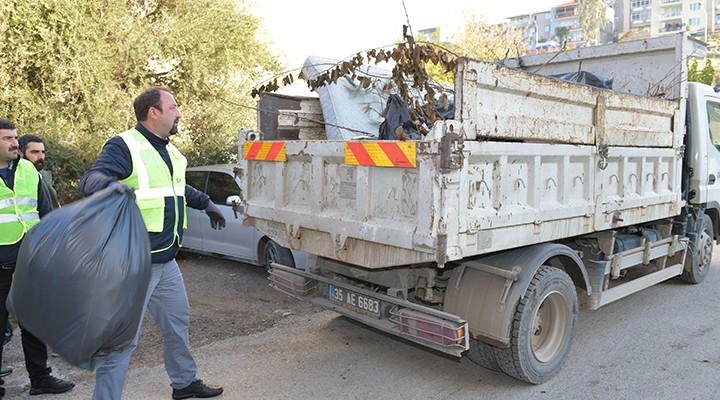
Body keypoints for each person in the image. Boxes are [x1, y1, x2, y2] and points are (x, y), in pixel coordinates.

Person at [80, 87, 226, 400]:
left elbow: (175, 188)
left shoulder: (171, 152)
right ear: (153, 113)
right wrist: (110, 186)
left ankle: (184, 383)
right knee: (120, 341)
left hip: (166, 260)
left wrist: (206, 202)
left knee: (177, 323)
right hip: (133, 263)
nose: (179, 113)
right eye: (173, 107)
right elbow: (91, 179)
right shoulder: (125, 145)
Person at [0, 118, 75, 397]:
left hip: (31, 261)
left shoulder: (29, 172)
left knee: (33, 323)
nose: (14, 143)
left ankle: (40, 379)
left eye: (15, 138)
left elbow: (45, 215)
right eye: (7, 138)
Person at [18, 135, 61, 208]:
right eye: (35, 152)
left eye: (43, 152)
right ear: (20, 153)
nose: (40, 156)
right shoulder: (14, 178)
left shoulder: (44, 176)